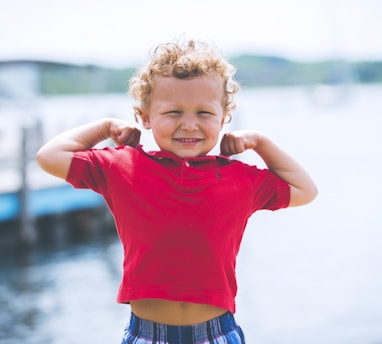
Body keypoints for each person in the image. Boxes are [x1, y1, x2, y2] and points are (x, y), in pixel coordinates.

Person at [36, 39, 317, 344]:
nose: (189, 124)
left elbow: (305, 190)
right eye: (173, 112)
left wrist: (260, 142)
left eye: (204, 113)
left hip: (217, 333)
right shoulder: (121, 166)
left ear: (223, 118)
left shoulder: (239, 178)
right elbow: (49, 157)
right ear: (145, 117)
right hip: (146, 334)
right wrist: (104, 128)